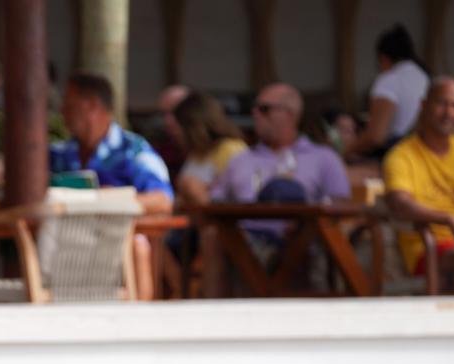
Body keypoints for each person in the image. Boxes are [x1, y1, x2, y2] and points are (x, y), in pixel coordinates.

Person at [384, 77, 454, 293]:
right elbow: (399, 203)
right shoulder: (401, 155)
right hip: (427, 247)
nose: (449, 113)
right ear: (424, 105)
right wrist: (450, 220)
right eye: (441, 103)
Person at [211, 83, 351, 231]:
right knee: (211, 234)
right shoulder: (240, 159)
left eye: (264, 109)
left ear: (290, 114)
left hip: (305, 245)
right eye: (254, 108)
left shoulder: (325, 158)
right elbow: (215, 202)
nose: (255, 114)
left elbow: (339, 208)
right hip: (244, 244)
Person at [51, 72, 174, 213]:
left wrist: (110, 200)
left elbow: (163, 201)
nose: (62, 111)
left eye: (69, 104)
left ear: (92, 105)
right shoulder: (57, 153)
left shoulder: (133, 151)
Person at [343, 24, 429, 161]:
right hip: (424, 154)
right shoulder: (424, 76)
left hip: (396, 156)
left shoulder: (389, 80)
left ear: (383, 58)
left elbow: (375, 137)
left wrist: (345, 150)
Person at [172, 91, 247, 207]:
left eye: (180, 126)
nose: (176, 132)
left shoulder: (230, 148)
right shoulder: (196, 153)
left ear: (194, 127)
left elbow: (238, 194)